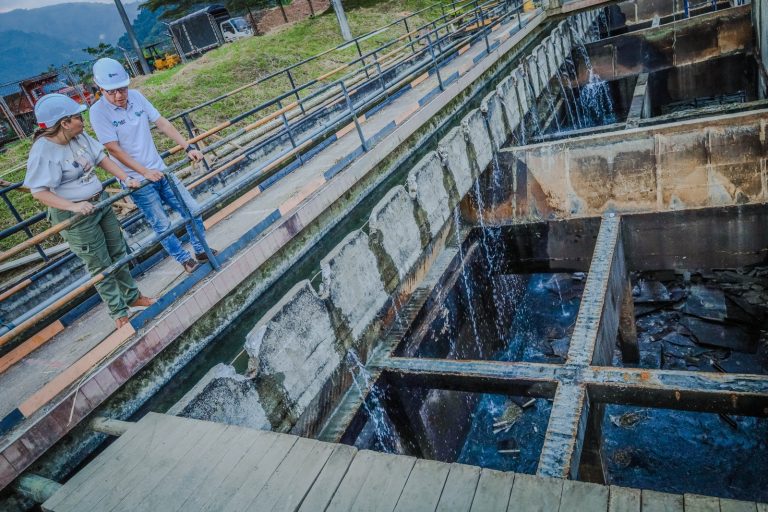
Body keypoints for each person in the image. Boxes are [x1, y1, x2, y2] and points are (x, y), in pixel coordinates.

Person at [24, 93, 156, 329]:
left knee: (118, 252)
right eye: (77, 117)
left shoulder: (79, 136)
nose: (82, 120)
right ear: (64, 123)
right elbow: (39, 191)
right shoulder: (44, 150)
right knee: (99, 263)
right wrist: (73, 206)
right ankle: (119, 312)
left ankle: (132, 297)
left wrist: (125, 177)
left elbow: (101, 158)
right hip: (75, 215)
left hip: (99, 202)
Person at [89, 57, 215, 274]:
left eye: (122, 89)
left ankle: (200, 250)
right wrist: (144, 172)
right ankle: (184, 259)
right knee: (162, 224)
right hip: (137, 179)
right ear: (100, 89)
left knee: (192, 210)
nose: (119, 96)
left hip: (160, 168)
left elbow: (161, 122)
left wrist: (187, 147)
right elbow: (113, 148)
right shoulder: (98, 112)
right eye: (112, 92)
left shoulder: (136, 97)